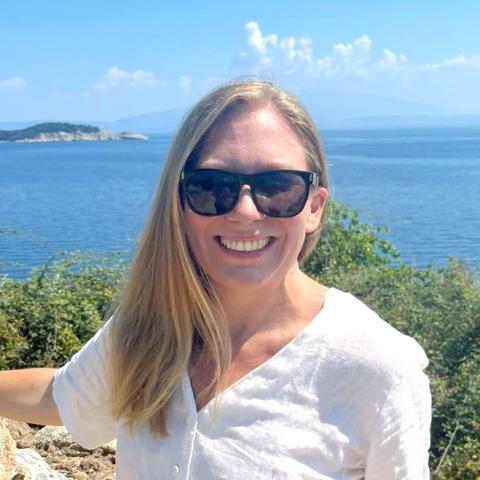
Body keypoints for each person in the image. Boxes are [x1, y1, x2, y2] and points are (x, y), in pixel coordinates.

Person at [0, 80, 431, 479]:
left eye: (278, 186)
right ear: (181, 203)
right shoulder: (154, 325)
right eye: (212, 186)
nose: (245, 212)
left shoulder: (375, 366)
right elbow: (61, 396)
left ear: (314, 207)